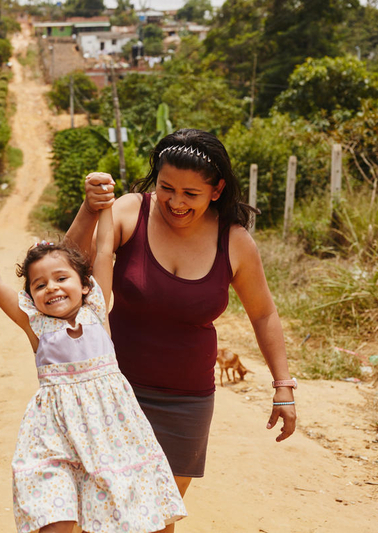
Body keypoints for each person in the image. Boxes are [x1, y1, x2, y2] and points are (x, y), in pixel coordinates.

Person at [65, 128, 297, 532]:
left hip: (186, 404)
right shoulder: (127, 212)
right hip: (114, 391)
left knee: (157, 519)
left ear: (217, 190)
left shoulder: (235, 242)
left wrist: (283, 385)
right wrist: (88, 210)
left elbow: (263, 314)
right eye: (166, 187)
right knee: (100, 515)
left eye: (191, 194)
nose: (175, 202)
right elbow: (67, 269)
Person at [0, 210, 187, 533]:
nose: (52, 288)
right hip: (53, 437)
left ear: (85, 286)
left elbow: (103, 250)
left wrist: (105, 207)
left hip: (111, 437)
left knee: (130, 516)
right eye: (39, 284)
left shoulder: (97, 313)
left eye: (61, 278)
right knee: (52, 515)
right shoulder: (37, 327)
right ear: (31, 297)